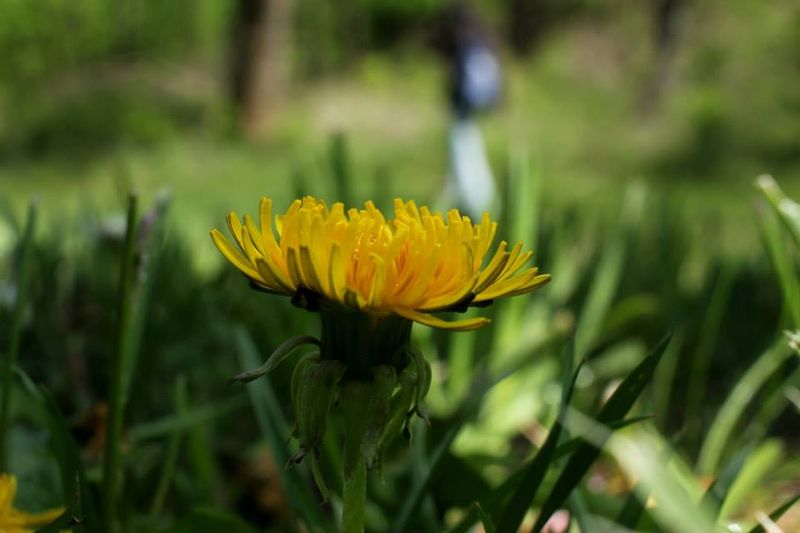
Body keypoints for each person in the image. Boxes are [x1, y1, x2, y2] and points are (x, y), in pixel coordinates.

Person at [435, 1, 502, 219]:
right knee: (463, 157)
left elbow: (463, 85)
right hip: (468, 114)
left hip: (463, 113)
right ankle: (452, 208)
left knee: (466, 157)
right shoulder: (481, 45)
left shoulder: (467, 48)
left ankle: (483, 209)